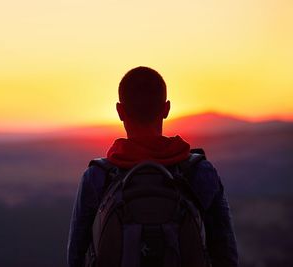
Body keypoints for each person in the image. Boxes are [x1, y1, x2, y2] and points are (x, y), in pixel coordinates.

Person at [67, 66, 238, 267]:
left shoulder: (98, 177)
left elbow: (75, 258)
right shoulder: (199, 172)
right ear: (166, 109)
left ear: (120, 111)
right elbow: (226, 255)